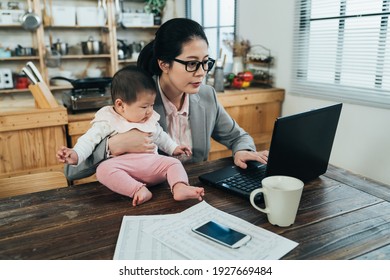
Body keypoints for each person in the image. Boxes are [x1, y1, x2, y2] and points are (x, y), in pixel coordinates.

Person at [64, 17, 268, 181]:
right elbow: (71, 172)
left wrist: (242, 151)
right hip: (144, 197)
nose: (201, 73)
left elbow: (238, 137)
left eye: (206, 62)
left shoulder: (207, 96)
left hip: (195, 189)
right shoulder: (136, 98)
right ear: (164, 64)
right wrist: (111, 146)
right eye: (191, 64)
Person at [57, 66, 204, 206]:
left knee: (174, 163)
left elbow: (161, 136)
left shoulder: (149, 119)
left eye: (152, 105)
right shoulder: (107, 121)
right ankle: (138, 190)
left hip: (152, 165)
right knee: (103, 170)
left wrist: (174, 148)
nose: (149, 111)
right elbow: (88, 141)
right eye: (144, 106)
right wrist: (75, 154)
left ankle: (179, 187)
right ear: (120, 105)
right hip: (125, 169)